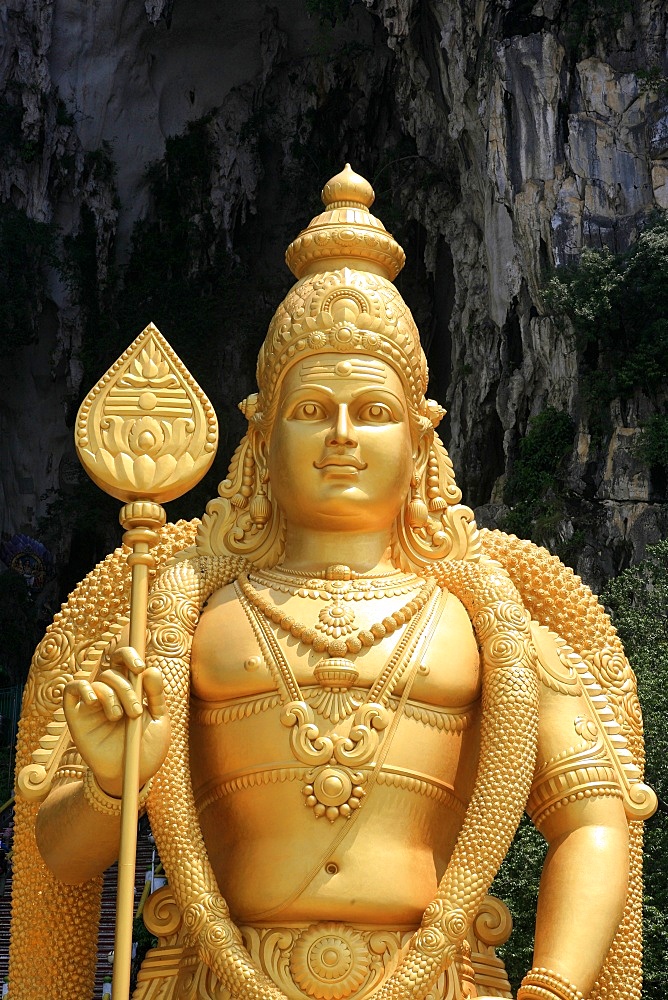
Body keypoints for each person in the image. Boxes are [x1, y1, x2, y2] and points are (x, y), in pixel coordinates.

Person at [10, 166, 655, 1000]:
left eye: (373, 411)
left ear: (422, 440)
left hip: (435, 984)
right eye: (312, 410)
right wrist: (107, 781)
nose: (342, 435)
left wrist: (556, 985)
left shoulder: (486, 622)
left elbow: (594, 817)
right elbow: (58, 852)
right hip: (218, 979)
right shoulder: (177, 616)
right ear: (262, 436)